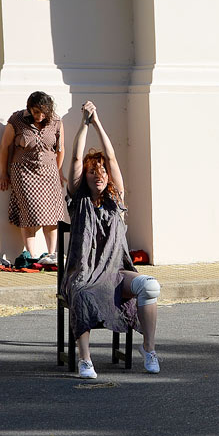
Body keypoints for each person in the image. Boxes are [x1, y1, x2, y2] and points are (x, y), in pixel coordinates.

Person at [64, 101, 161, 378]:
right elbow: (74, 159)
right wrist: (84, 123)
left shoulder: (116, 200)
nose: (99, 175)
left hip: (116, 272)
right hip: (82, 272)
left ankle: (150, 349)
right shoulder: (79, 199)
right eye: (93, 172)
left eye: (102, 172)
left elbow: (113, 157)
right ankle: (85, 359)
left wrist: (98, 123)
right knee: (81, 294)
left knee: (150, 286)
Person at [0, 91, 67, 265]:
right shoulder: (16, 120)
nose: (40, 116)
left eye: (43, 112)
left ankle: (52, 255)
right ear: (29, 108)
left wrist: (58, 172)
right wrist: (3, 173)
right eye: (36, 111)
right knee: (29, 212)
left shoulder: (56, 122)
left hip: (49, 172)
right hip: (23, 172)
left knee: (52, 215)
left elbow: (61, 149)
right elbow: (5, 147)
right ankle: (32, 255)